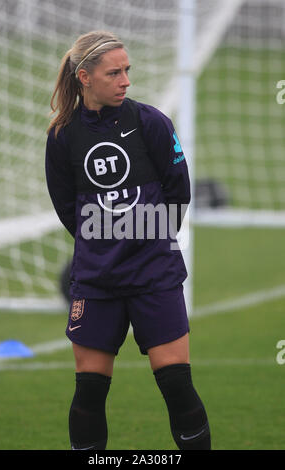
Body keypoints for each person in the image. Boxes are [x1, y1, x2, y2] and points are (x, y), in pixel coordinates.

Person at [45, 30, 211, 451]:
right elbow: (68, 206)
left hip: (154, 272)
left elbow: (179, 191)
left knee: (176, 384)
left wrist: (147, 240)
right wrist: (103, 243)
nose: (125, 81)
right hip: (97, 280)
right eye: (114, 73)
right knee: (89, 392)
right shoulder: (63, 135)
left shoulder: (150, 122)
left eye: (127, 71)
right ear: (84, 77)